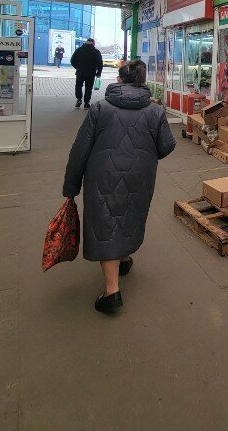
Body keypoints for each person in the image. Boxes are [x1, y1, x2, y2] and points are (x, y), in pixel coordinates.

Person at [62, 59, 176, 313]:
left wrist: (71, 188)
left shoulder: (101, 108)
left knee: (105, 222)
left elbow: (80, 150)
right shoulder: (155, 110)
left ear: (119, 79)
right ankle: (124, 258)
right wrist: (145, 155)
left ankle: (111, 292)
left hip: (103, 176)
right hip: (140, 175)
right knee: (130, 214)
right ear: (143, 81)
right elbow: (167, 145)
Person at [70, 38, 103, 108]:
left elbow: (72, 60)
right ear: (93, 43)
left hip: (80, 72)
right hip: (91, 73)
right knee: (88, 88)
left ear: (86, 42)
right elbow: (100, 63)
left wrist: (77, 67)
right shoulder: (96, 52)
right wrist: (99, 73)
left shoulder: (79, 50)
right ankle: (86, 103)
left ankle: (79, 99)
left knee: (78, 86)